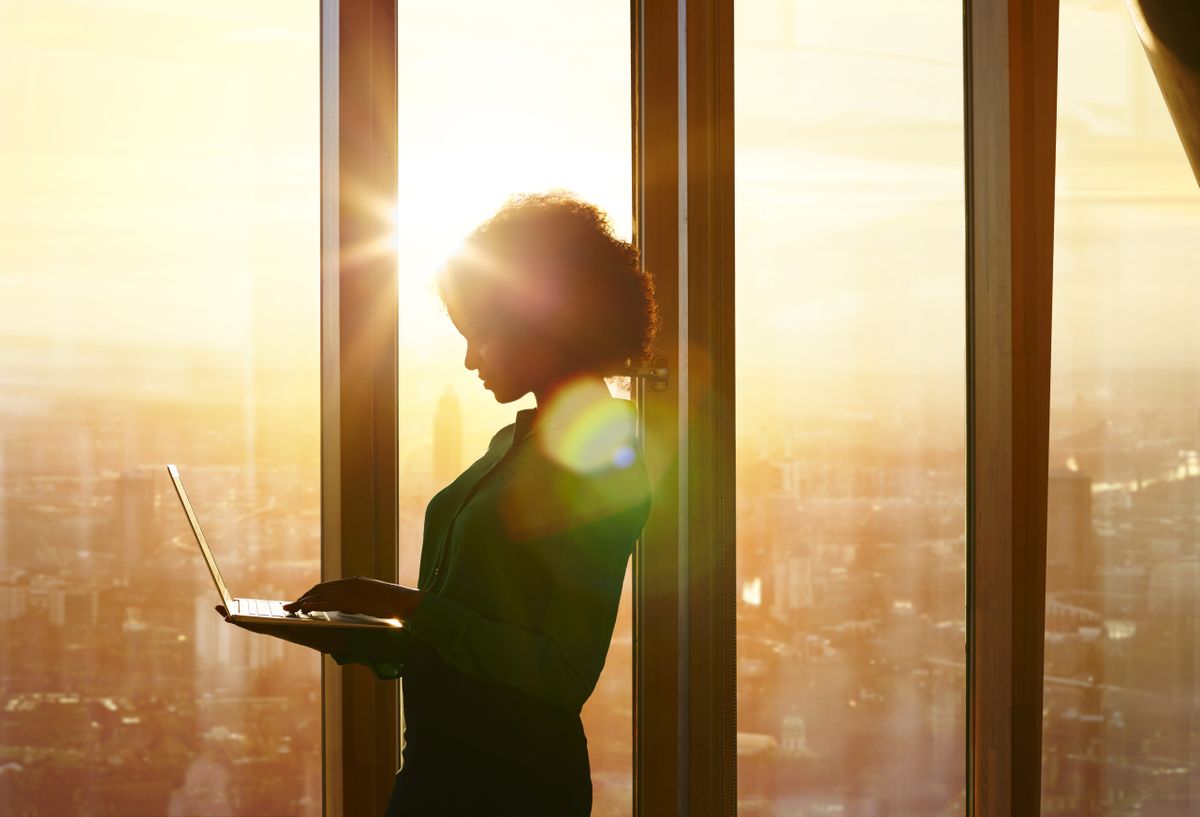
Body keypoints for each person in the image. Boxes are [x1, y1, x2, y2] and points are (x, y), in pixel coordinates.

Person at [225, 192, 657, 816]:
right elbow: (467, 627)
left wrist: (407, 608)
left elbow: (561, 672)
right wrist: (360, 629)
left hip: (512, 785)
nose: (469, 359)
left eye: (479, 335)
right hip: (440, 766)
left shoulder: (599, 464)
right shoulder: (515, 443)